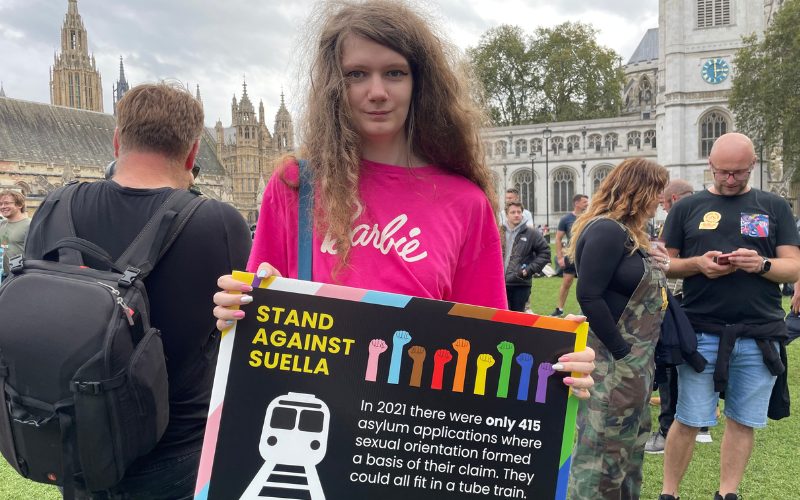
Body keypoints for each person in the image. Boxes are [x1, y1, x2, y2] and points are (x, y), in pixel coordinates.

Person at [213, 0, 595, 396]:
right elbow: (259, 319)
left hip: (412, 434)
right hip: (316, 420)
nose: (376, 91)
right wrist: (236, 309)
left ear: (419, 82)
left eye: (394, 73)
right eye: (357, 74)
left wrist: (555, 370)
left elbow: (488, 345)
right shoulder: (295, 185)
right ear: (333, 84)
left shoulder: (465, 202)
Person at [30, 83, 251, 499]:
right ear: (192, 153)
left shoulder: (55, 207)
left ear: (117, 140)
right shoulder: (218, 222)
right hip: (177, 450)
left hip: (79, 440)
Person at [658, 133, 800, 500]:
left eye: (738, 172)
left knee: (742, 420)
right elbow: (663, 264)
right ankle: (669, 493)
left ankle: (727, 493)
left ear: (752, 165)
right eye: (723, 172)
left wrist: (762, 264)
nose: (731, 179)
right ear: (710, 165)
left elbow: (793, 266)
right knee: (688, 418)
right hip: (700, 331)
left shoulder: (774, 206)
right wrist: (698, 265)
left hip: (759, 334)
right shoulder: (686, 208)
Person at [566, 158, 670, 500]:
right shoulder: (606, 230)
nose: (660, 199)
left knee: (627, 458)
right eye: (656, 191)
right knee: (601, 464)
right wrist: (623, 354)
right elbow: (589, 295)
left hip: (635, 370)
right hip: (612, 369)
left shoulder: (631, 237)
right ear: (638, 190)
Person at [645, 178, 700, 454]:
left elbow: (663, 262)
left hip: (677, 301)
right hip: (704, 305)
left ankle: (667, 430)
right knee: (695, 361)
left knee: (669, 363)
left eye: (664, 204)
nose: (663, 210)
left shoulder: (679, 220)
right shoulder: (707, 215)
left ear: (674, 200)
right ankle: (700, 423)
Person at [502, 201, 550, 312]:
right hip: (500, 284)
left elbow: (545, 252)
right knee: (500, 318)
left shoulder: (531, 233)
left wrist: (528, 270)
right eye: (513, 212)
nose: (516, 214)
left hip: (520, 283)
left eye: (519, 212)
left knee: (518, 319)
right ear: (506, 214)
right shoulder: (499, 232)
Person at [551, 194, 589, 317]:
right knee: (567, 282)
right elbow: (558, 238)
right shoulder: (566, 219)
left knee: (585, 285)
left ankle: (585, 311)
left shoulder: (589, 217)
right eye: (584, 202)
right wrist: (560, 257)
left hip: (586, 256)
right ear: (576, 203)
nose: (587, 204)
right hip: (570, 255)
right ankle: (559, 309)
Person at [0, 190, 31, 279]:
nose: (3, 207)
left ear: (19, 205)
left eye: (6, 203)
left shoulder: (30, 225)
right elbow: (5, 245)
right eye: (0, 204)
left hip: (20, 276)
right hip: (3, 275)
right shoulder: (2, 224)